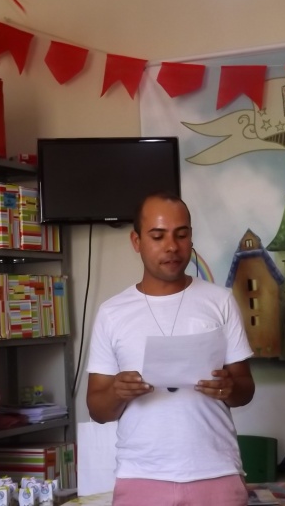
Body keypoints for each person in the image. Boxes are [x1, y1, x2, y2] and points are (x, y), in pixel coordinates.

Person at [86, 191, 255, 506]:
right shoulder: (112, 313)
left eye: (181, 234)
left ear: (191, 237)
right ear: (136, 241)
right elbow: (97, 409)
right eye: (157, 236)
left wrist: (229, 388)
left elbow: (245, 390)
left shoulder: (220, 301)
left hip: (216, 474)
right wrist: (118, 392)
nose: (172, 246)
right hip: (141, 478)